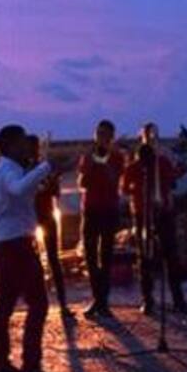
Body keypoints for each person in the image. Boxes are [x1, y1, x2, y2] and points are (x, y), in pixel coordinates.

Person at [0, 124, 63, 372]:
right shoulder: (9, 172)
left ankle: (2, 366)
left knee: (3, 309)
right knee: (38, 304)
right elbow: (16, 189)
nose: (29, 146)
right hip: (17, 245)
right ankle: (31, 366)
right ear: (13, 145)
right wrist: (46, 167)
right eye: (24, 142)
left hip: (0, 244)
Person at [120, 125, 187, 315]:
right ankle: (148, 300)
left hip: (164, 212)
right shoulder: (134, 165)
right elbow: (124, 189)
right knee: (144, 257)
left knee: (171, 256)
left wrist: (173, 176)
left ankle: (178, 300)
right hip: (142, 214)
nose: (151, 139)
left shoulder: (163, 160)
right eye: (147, 135)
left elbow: (172, 182)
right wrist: (139, 190)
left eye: (153, 135)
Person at [77, 119, 123, 319]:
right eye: (98, 133)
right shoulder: (87, 156)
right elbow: (82, 183)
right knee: (89, 256)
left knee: (106, 256)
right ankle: (98, 299)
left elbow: (115, 181)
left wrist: (105, 165)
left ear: (111, 137)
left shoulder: (118, 157)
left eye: (105, 134)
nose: (101, 137)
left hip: (109, 209)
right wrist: (91, 165)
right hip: (90, 210)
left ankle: (103, 301)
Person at [30, 135, 71, 319]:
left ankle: (63, 304)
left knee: (54, 260)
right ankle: (40, 304)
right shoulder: (22, 170)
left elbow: (56, 193)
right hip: (31, 218)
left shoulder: (43, 168)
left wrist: (52, 182)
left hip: (46, 216)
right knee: (34, 263)